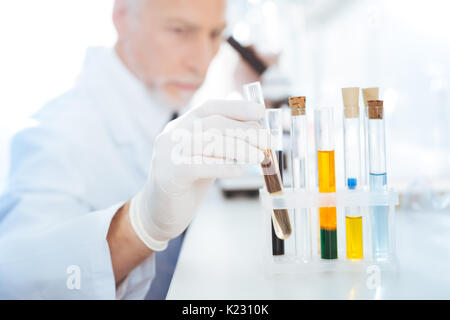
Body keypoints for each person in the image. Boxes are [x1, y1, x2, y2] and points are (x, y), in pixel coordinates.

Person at [0, 0, 274, 299]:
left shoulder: (165, 105)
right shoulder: (57, 134)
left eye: (214, 34)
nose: (202, 61)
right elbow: (17, 283)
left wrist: (259, 101)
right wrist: (140, 226)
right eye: (180, 30)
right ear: (122, 17)